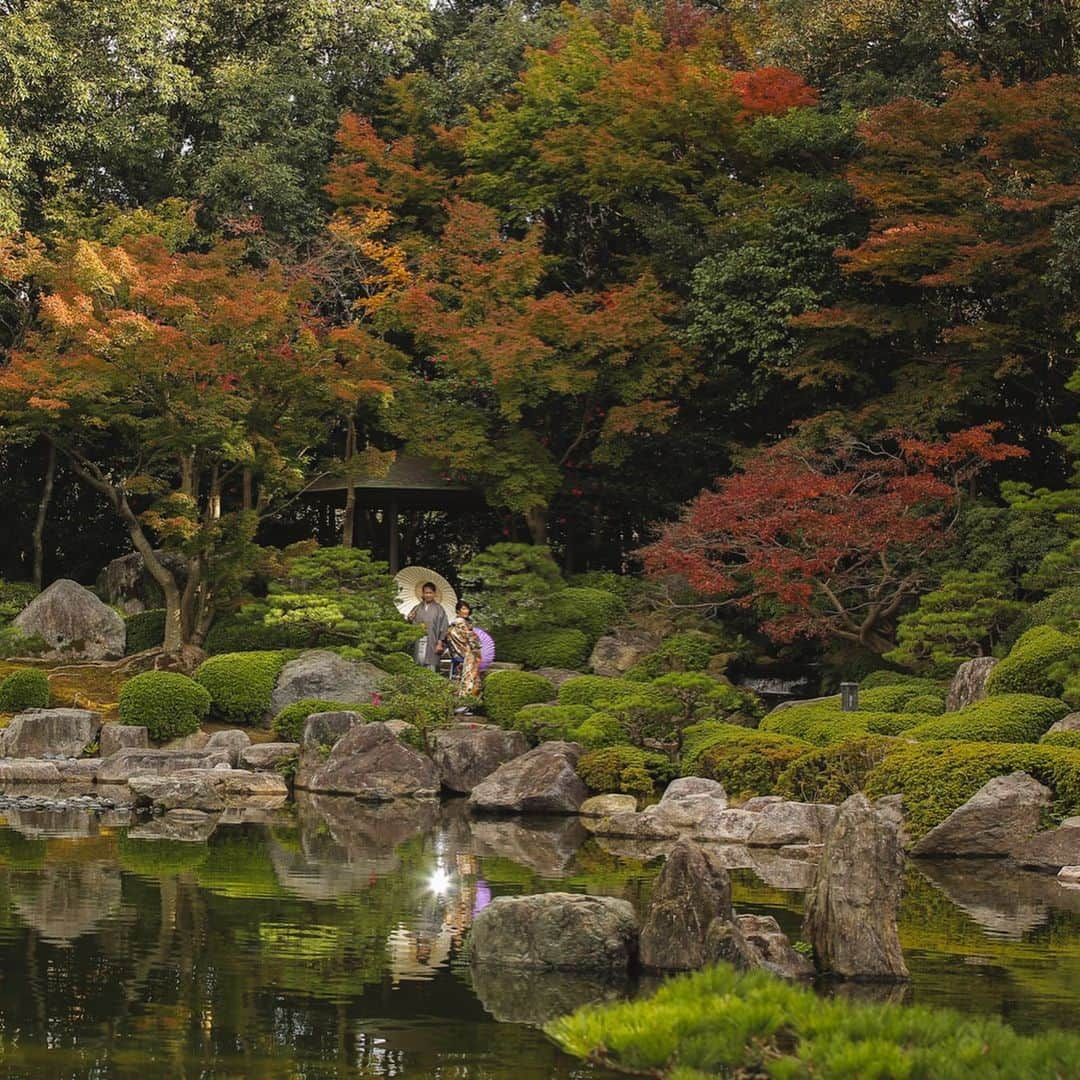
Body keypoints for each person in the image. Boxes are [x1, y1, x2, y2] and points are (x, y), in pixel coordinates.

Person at [407, 582, 449, 670]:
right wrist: (410, 619)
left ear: (434, 594)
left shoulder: (439, 609)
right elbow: (411, 624)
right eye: (426, 593)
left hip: (432, 641)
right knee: (417, 663)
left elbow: (443, 626)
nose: (428, 595)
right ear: (423, 593)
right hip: (418, 639)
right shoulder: (417, 607)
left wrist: (440, 643)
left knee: (430, 665)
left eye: (430, 593)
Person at [445, 600, 482, 697]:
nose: (466, 611)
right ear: (458, 611)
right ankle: (465, 698)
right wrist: (477, 647)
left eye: (467, 609)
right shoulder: (461, 623)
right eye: (463, 609)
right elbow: (471, 638)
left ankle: (457, 698)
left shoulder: (453, 624)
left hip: (457, 653)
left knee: (457, 677)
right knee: (468, 677)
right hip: (465, 654)